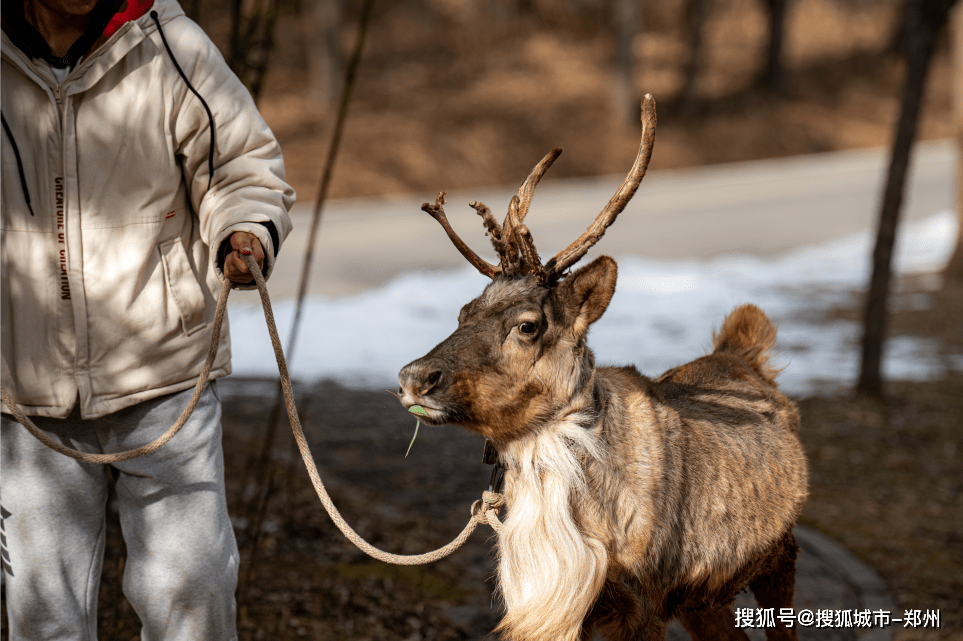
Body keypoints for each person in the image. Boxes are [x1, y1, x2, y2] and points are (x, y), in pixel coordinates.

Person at [0, 0, 295, 637]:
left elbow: (242, 165)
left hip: (166, 376)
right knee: (42, 618)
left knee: (193, 592)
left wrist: (244, 230)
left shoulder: (168, 40)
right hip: (24, 395)